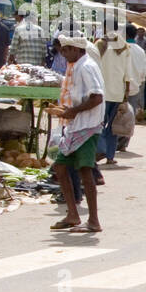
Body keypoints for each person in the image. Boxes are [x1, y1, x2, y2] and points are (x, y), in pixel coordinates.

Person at [48, 35, 105, 233]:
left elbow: (97, 97)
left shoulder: (86, 66)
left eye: (67, 50)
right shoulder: (77, 66)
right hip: (76, 125)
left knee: (85, 171)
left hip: (87, 126)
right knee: (61, 167)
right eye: (62, 50)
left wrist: (73, 111)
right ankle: (73, 214)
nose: (63, 54)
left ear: (77, 49)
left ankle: (94, 220)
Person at [95, 31, 145, 165]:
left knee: (97, 124)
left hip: (102, 92)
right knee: (113, 126)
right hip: (118, 93)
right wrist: (126, 94)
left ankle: (99, 150)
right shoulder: (125, 47)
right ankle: (110, 156)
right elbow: (127, 74)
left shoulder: (100, 45)